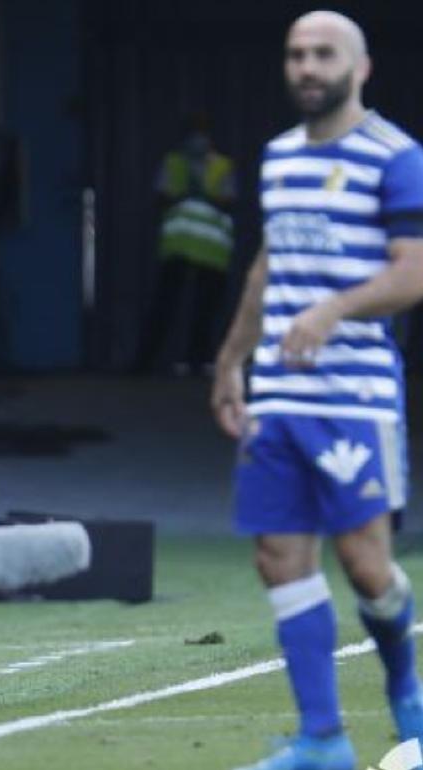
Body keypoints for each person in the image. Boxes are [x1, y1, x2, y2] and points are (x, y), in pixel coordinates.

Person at [212, 12, 423, 770]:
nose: (306, 66)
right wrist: (232, 359)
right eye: (296, 54)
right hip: (279, 395)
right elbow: (268, 267)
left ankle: (408, 692)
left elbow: (413, 271)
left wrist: (333, 308)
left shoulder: (395, 158)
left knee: (367, 565)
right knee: (278, 555)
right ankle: (323, 739)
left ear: (359, 67)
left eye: (323, 54)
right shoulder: (276, 158)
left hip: (355, 397)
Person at [134, 115, 236, 375]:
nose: (198, 139)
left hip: (211, 251)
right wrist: (181, 194)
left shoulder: (222, 166)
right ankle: (146, 363)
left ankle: (198, 362)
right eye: (193, 133)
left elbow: (230, 201)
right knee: (165, 306)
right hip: (178, 247)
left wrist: (203, 192)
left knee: (205, 310)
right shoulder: (174, 163)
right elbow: (160, 199)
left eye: (202, 133)